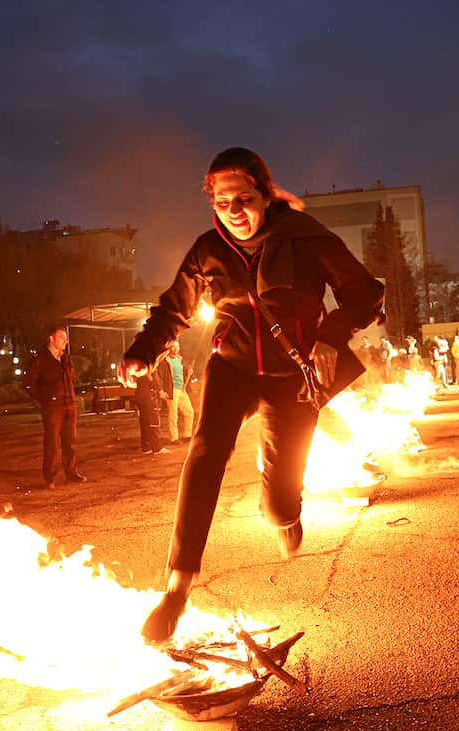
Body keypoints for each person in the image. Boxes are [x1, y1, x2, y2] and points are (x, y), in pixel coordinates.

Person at [119, 147, 384, 644]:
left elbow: (365, 293)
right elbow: (174, 309)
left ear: (264, 194)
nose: (234, 210)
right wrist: (143, 351)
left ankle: (284, 512)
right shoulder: (207, 250)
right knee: (204, 452)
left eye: (243, 198)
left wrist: (330, 338)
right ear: (212, 204)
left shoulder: (305, 239)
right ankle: (177, 586)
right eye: (222, 202)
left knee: (279, 502)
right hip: (232, 368)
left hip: (293, 377)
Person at [23, 326, 86, 490]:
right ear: (51, 339)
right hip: (53, 408)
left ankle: (71, 473)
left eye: (66, 338)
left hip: (69, 404)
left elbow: (72, 378)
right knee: (51, 443)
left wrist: (65, 363)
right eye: (61, 337)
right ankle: (49, 477)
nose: (65, 341)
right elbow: (29, 384)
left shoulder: (65, 358)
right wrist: (45, 399)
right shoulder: (40, 359)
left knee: (70, 441)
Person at [157, 340, 196, 441]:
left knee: (189, 412)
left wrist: (188, 371)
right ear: (169, 348)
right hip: (172, 389)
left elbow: (181, 372)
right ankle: (174, 438)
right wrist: (161, 390)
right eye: (173, 347)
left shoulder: (180, 359)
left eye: (177, 346)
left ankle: (187, 435)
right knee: (173, 414)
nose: (176, 349)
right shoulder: (165, 360)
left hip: (182, 389)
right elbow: (160, 376)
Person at [133, 368, 169, 455]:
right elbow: (150, 374)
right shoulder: (149, 360)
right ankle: (157, 448)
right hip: (148, 394)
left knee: (144, 421)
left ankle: (146, 447)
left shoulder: (138, 361)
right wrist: (160, 390)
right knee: (153, 421)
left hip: (140, 393)